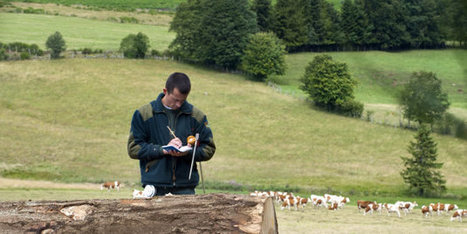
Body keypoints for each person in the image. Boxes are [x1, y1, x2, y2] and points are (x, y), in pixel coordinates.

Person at [127, 72, 216, 196]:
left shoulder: (196, 116)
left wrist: (187, 152)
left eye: (183, 100)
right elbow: (133, 149)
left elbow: (208, 149)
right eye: (175, 100)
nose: (179, 105)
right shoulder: (143, 114)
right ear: (165, 91)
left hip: (186, 188)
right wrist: (162, 150)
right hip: (154, 187)